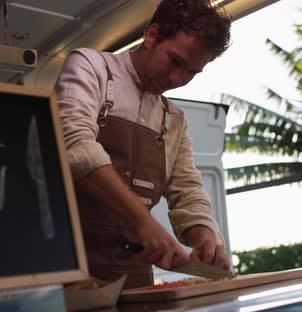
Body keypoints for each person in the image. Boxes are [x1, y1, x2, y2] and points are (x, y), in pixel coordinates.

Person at [55, 0, 232, 289]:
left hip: (134, 281)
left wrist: (206, 239)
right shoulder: (91, 67)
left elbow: (187, 191)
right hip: (67, 272)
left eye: (191, 73)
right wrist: (143, 221)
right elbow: (73, 143)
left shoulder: (173, 119)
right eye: (175, 61)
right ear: (152, 35)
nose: (177, 78)